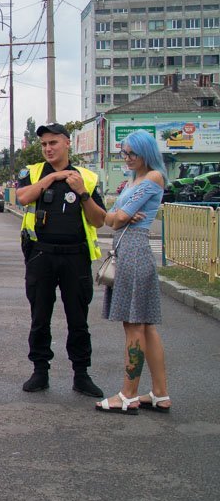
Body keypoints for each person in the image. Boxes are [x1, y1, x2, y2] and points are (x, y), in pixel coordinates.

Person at [15, 122, 108, 397]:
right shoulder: (32, 172)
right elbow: (22, 198)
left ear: (67, 143)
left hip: (75, 256)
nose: (48, 148)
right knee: (39, 317)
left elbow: (98, 220)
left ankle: (81, 374)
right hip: (41, 254)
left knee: (78, 319)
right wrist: (50, 180)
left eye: (53, 143)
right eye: (44, 144)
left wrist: (82, 192)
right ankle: (40, 371)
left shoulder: (86, 178)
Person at [96, 130, 170, 414]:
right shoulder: (133, 180)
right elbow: (110, 215)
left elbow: (118, 219)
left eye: (131, 154)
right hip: (130, 251)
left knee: (134, 324)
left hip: (134, 252)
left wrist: (119, 215)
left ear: (146, 154)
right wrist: (118, 214)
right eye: (123, 153)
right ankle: (160, 393)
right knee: (145, 324)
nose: (126, 158)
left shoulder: (152, 178)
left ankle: (128, 395)